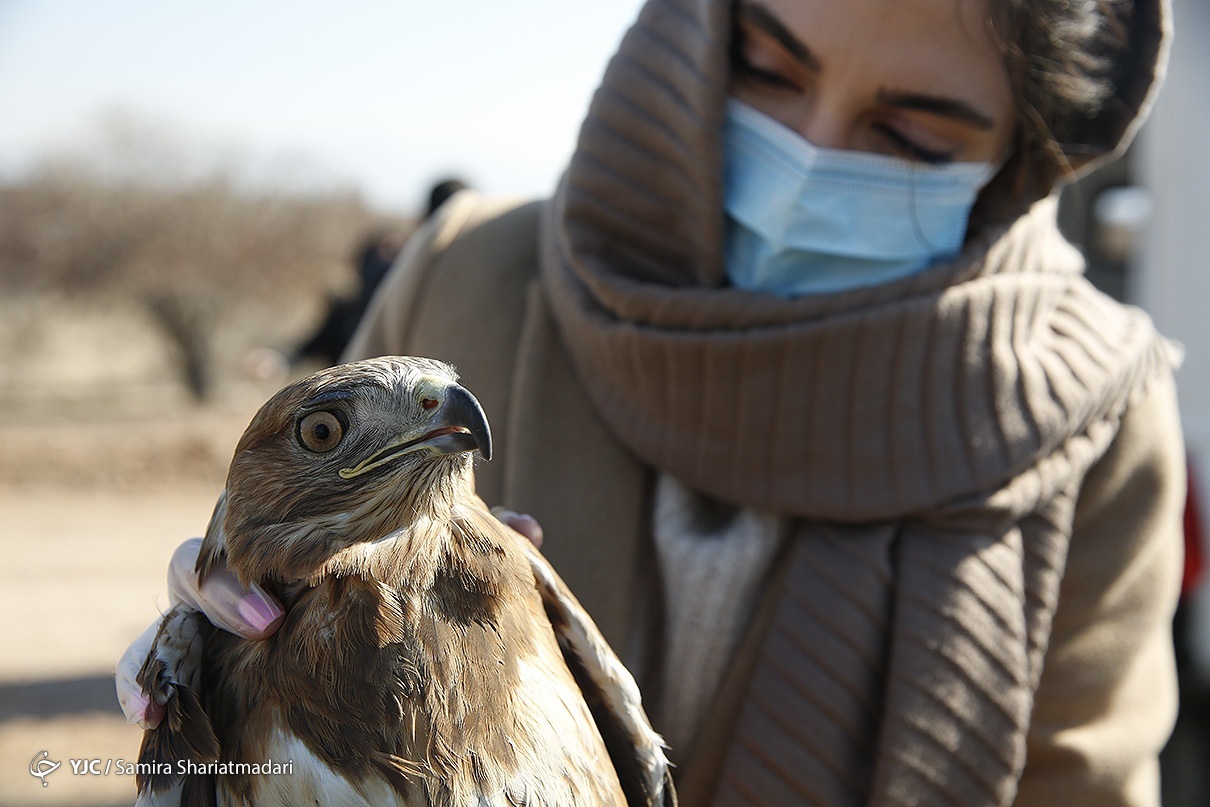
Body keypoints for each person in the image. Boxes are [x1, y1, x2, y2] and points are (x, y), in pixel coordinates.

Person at [118, 0, 1184, 804]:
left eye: (912, 134)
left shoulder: (1094, 409)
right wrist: (215, 637)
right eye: (766, 66)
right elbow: (299, 513)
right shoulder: (469, 276)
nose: (812, 151)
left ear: (1018, 162)